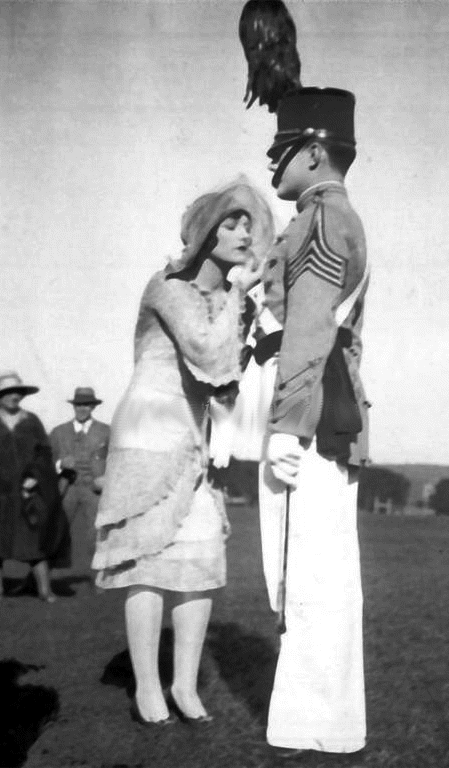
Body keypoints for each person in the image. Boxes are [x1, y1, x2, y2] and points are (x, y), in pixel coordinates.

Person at [92, 179, 273, 726]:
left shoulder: (227, 298)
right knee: (146, 563)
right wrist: (243, 297)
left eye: (248, 224)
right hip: (150, 433)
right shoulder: (168, 285)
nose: (243, 233)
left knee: (197, 559)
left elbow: (227, 382)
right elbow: (208, 353)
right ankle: (148, 686)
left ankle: (185, 684)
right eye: (231, 223)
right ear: (204, 233)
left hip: (194, 435)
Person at [256, 87, 370, 759]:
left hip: (314, 415)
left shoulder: (323, 220)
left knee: (312, 579)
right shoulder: (328, 216)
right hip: (323, 410)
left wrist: (286, 424)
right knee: (313, 576)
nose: (273, 164)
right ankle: (319, 722)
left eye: (283, 150)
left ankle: (315, 725)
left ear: (315, 151)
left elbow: (309, 331)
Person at [0, 372, 70, 603]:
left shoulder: (31, 421)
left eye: (17, 392)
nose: (14, 396)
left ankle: (44, 590)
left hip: (26, 491)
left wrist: (35, 476)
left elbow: (44, 452)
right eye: (8, 393)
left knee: (34, 539)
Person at [50, 387, 110, 578]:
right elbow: (45, 460)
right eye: (79, 405)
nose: (82, 409)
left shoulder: (106, 432)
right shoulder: (59, 432)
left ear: (93, 407)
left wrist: (105, 477)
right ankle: (49, 576)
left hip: (93, 490)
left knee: (96, 534)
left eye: (86, 405)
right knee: (57, 530)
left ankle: (98, 577)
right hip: (67, 488)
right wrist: (60, 464)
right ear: (73, 406)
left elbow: (117, 460)